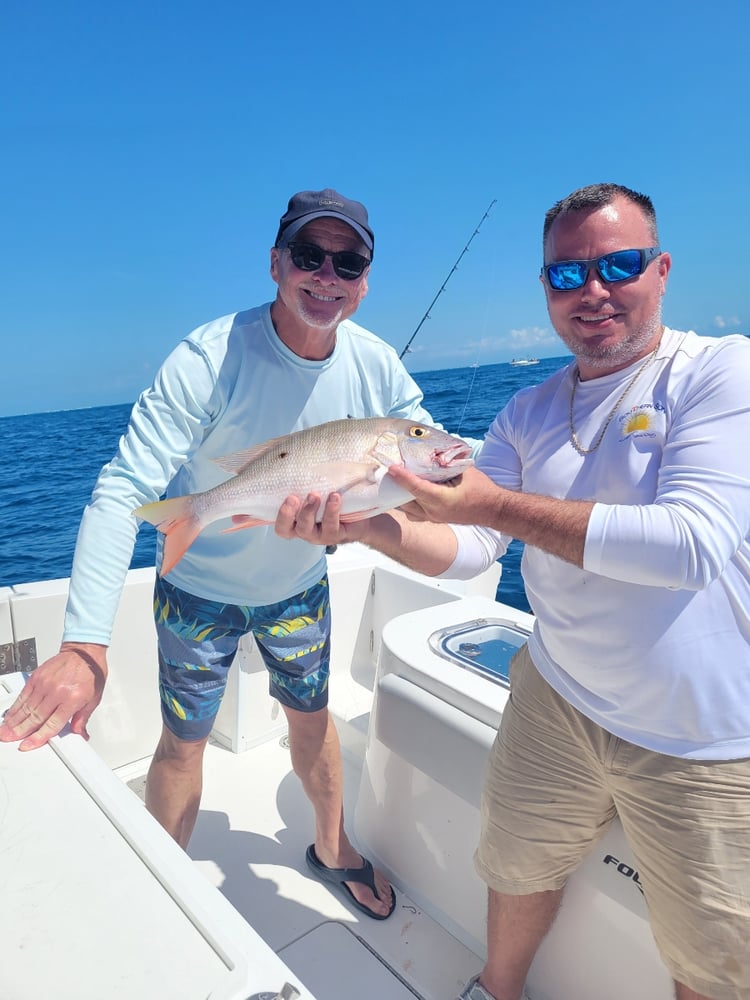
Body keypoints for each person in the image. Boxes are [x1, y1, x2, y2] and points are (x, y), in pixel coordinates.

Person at [275, 183, 750, 998]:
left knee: (712, 961)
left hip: (704, 737)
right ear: (545, 290)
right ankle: (497, 988)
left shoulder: (720, 371)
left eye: (619, 266)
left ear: (662, 270)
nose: (593, 291)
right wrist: (365, 529)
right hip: (557, 695)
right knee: (514, 865)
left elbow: (693, 544)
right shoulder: (527, 412)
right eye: (568, 275)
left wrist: (493, 504)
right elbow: (470, 550)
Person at [0, 186, 462, 921]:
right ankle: (167, 887)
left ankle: (333, 849)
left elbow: (440, 463)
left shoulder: (376, 367)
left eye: (348, 263)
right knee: (184, 743)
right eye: (309, 256)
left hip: (299, 591)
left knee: (313, 722)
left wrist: (390, 516)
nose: (326, 276)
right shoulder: (207, 357)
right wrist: (85, 644)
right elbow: (123, 489)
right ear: (277, 263)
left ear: (365, 282)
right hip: (197, 593)